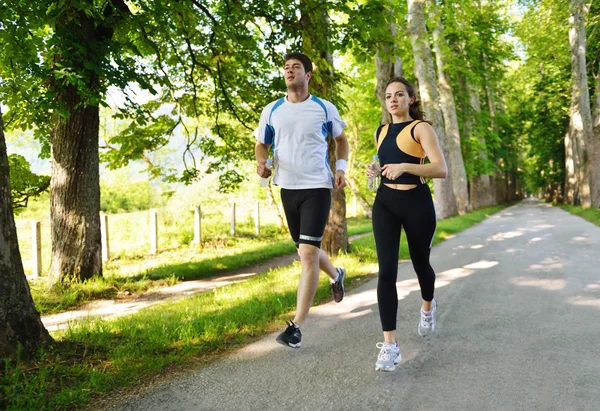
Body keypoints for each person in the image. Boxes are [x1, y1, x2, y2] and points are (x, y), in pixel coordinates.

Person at [254, 52, 349, 348]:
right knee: (306, 250)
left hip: (317, 187)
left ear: (308, 75)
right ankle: (336, 275)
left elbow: (341, 140)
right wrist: (262, 165)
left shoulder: (323, 107)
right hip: (287, 189)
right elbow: (261, 144)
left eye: (296, 67)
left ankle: (297, 327)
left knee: (307, 255)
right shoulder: (272, 110)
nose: (289, 71)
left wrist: (341, 168)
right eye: (286, 68)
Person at [366, 77, 448, 371]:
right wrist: (374, 170)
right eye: (388, 95)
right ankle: (390, 345)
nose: (393, 100)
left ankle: (428, 305)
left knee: (420, 264)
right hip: (385, 204)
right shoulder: (381, 130)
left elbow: (441, 169)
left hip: (416, 204)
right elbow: (383, 163)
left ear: (410, 99)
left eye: (400, 94)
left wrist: (405, 167)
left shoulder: (420, 128)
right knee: (386, 271)